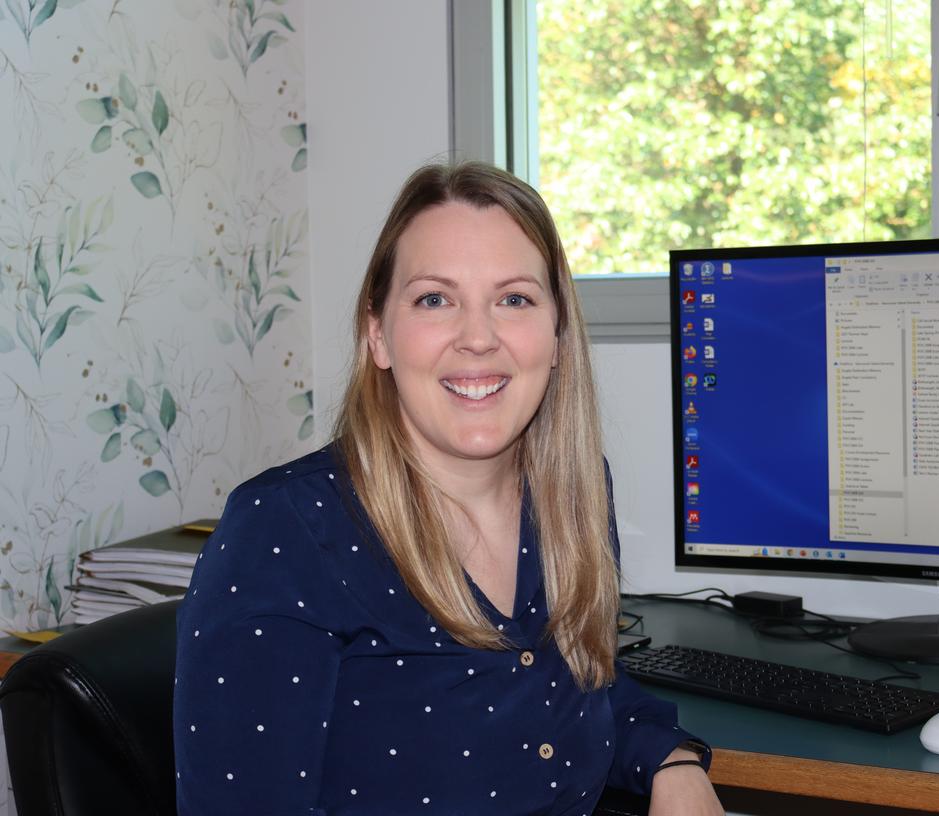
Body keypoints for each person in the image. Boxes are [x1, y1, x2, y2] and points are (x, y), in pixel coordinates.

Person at [173, 162, 725, 815]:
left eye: (514, 299)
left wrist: (673, 762)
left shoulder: (573, 494)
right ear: (377, 333)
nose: (477, 338)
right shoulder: (285, 529)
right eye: (435, 299)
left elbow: (587, 683)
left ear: (556, 335)